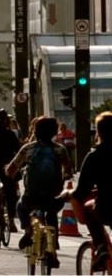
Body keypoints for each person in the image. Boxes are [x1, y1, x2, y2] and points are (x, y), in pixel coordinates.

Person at [6, 116, 72, 269]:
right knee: (52, 215)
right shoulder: (59, 149)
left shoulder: (28, 148)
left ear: (35, 132)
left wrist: (12, 175)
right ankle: (53, 250)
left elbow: (11, 169)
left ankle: (28, 229)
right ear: (54, 132)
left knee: (20, 207)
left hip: (31, 196)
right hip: (53, 196)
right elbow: (68, 170)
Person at [60, 111, 112, 272]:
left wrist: (68, 194)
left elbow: (82, 191)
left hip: (107, 207)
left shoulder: (95, 156)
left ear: (98, 133)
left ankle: (101, 246)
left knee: (89, 207)